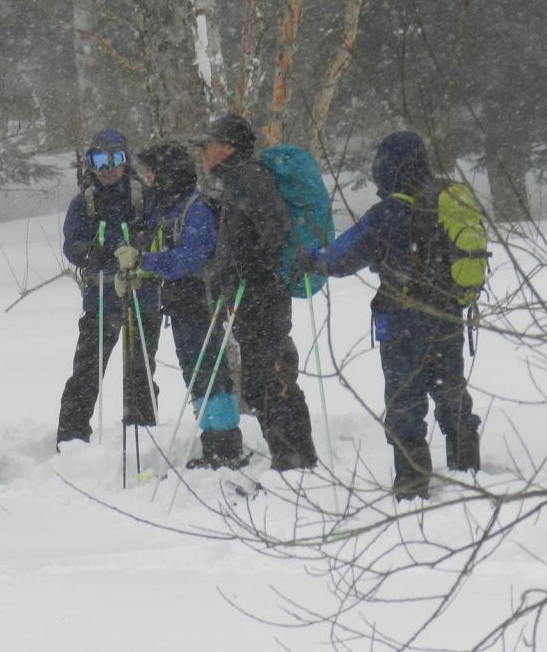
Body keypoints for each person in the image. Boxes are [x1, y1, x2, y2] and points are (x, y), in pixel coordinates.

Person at [294, 130, 482, 500]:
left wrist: (309, 259)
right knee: (451, 392)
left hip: (403, 324)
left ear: (387, 167)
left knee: (405, 405)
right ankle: (469, 471)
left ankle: (412, 485)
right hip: (447, 316)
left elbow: (340, 259)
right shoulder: (448, 200)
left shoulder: (387, 213)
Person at [193, 114, 318, 472]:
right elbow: (240, 238)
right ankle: (292, 456)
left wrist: (251, 265)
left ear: (229, 147)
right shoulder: (234, 182)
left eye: (210, 144)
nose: (204, 152)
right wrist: (225, 273)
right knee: (264, 380)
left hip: (263, 295)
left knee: (270, 379)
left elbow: (274, 224)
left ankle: (295, 459)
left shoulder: (249, 177)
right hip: (252, 296)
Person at [117, 143, 246, 469]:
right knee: (197, 373)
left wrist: (145, 261)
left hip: (201, 305)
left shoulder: (196, 209)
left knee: (207, 372)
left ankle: (224, 445)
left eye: (151, 174)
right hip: (182, 306)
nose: (147, 181)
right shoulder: (172, 211)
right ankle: (214, 440)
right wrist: (140, 270)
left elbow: (189, 258)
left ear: (167, 176)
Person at [56, 129, 161, 448]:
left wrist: (139, 251)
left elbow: (159, 233)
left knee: (140, 370)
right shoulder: (84, 202)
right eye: (100, 159)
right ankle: (72, 438)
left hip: (141, 298)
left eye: (115, 158)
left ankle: (142, 433)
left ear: (125, 160)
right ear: (90, 163)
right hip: (99, 300)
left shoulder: (143, 197)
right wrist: (94, 254)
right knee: (87, 372)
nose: (107, 167)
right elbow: (71, 244)